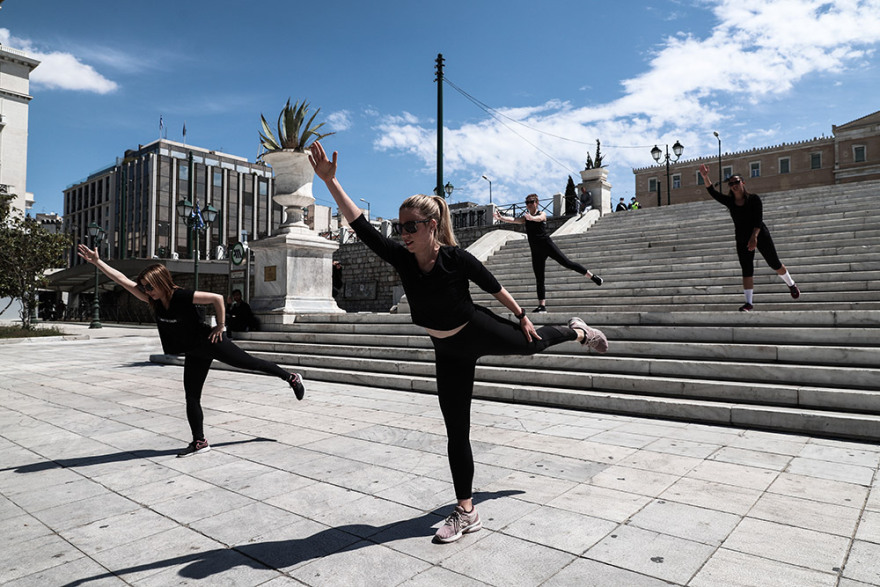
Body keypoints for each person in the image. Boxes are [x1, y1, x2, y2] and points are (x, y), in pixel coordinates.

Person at [309, 142, 608, 544]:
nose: (403, 234)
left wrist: (521, 316)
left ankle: (577, 331)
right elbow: (360, 224)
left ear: (431, 226)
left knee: (531, 345)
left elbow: (494, 286)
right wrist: (331, 182)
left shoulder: (456, 258)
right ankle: (466, 511)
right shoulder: (401, 259)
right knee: (456, 431)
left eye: (410, 226)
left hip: (477, 329)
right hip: (446, 350)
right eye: (400, 228)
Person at [76, 245, 306, 457]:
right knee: (191, 396)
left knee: (250, 363)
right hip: (194, 350)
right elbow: (122, 280)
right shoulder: (153, 300)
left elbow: (216, 298)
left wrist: (221, 325)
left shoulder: (181, 295)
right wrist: (98, 262)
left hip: (211, 341)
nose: (146, 291)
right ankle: (200, 442)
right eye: (144, 287)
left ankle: (291, 377)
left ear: (161, 282)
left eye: (149, 286)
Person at [698, 165, 800, 311]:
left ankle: (791, 284)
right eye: (731, 183)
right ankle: (749, 303)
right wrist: (705, 177)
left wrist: (754, 237)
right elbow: (713, 192)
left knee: (774, 263)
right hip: (741, 238)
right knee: (747, 270)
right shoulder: (730, 202)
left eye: (736, 182)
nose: (734, 185)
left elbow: (758, 220)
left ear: (743, 183)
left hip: (760, 234)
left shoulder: (754, 199)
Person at [494, 194, 603, 313]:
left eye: (530, 202)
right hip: (535, 250)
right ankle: (542, 306)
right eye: (527, 203)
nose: (528, 205)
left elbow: (540, 219)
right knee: (539, 278)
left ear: (536, 202)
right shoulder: (526, 218)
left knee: (567, 263)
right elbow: (514, 220)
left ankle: (593, 276)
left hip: (547, 245)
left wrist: (531, 218)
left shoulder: (541, 214)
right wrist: (501, 218)